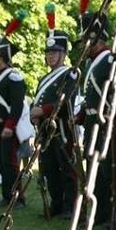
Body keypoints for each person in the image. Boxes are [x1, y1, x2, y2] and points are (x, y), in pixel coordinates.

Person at [30, 28, 79, 219]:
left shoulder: (71, 73)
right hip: (45, 129)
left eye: (55, 52)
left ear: (64, 54)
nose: (51, 56)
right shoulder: (43, 78)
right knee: (49, 168)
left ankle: (70, 206)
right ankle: (56, 203)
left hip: (62, 128)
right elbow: (37, 102)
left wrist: (43, 110)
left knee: (67, 168)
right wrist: (34, 115)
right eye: (48, 52)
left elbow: (68, 99)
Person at [76, 12, 116, 227]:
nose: (84, 45)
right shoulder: (92, 63)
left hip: (104, 122)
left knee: (106, 169)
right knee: (94, 170)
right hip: (92, 122)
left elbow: (115, 92)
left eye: (86, 40)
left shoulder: (110, 59)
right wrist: (80, 115)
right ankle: (100, 213)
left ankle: (113, 213)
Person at [0, 29, 27, 208]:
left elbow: (17, 105)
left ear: (1, 57)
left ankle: (16, 197)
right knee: (2, 163)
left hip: (8, 128)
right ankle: (7, 195)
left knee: (10, 163)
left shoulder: (14, 77)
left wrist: (10, 126)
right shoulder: (0, 79)